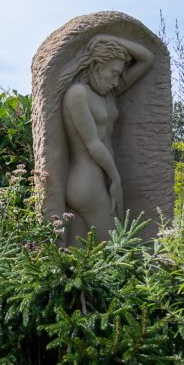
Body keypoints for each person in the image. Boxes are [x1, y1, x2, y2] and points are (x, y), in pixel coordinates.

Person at [58, 34, 153, 242]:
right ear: (97, 66)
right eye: (114, 73)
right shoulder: (77, 94)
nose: (116, 80)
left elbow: (147, 58)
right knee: (115, 249)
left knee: (79, 260)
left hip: (96, 182)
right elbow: (93, 144)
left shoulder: (108, 92)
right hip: (87, 183)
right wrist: (116, 179)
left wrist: (105, 37)